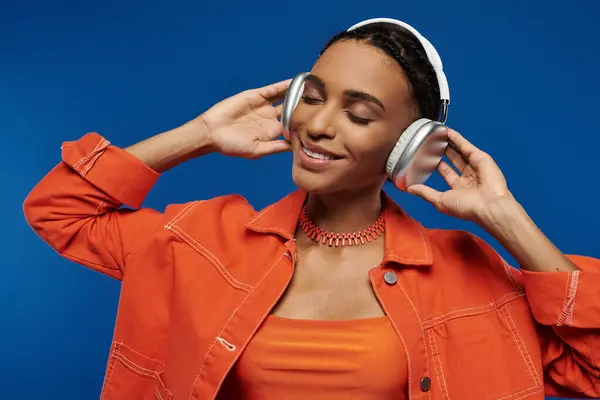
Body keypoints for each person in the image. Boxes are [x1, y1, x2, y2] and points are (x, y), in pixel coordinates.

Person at [23, 17, 599, 400]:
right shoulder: (201, 239)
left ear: (412, 148)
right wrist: (199, 133)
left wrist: (506, 217)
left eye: (359, 113)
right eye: (314, 97)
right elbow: (60, 210)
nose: (318, 126)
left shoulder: (468, 279)